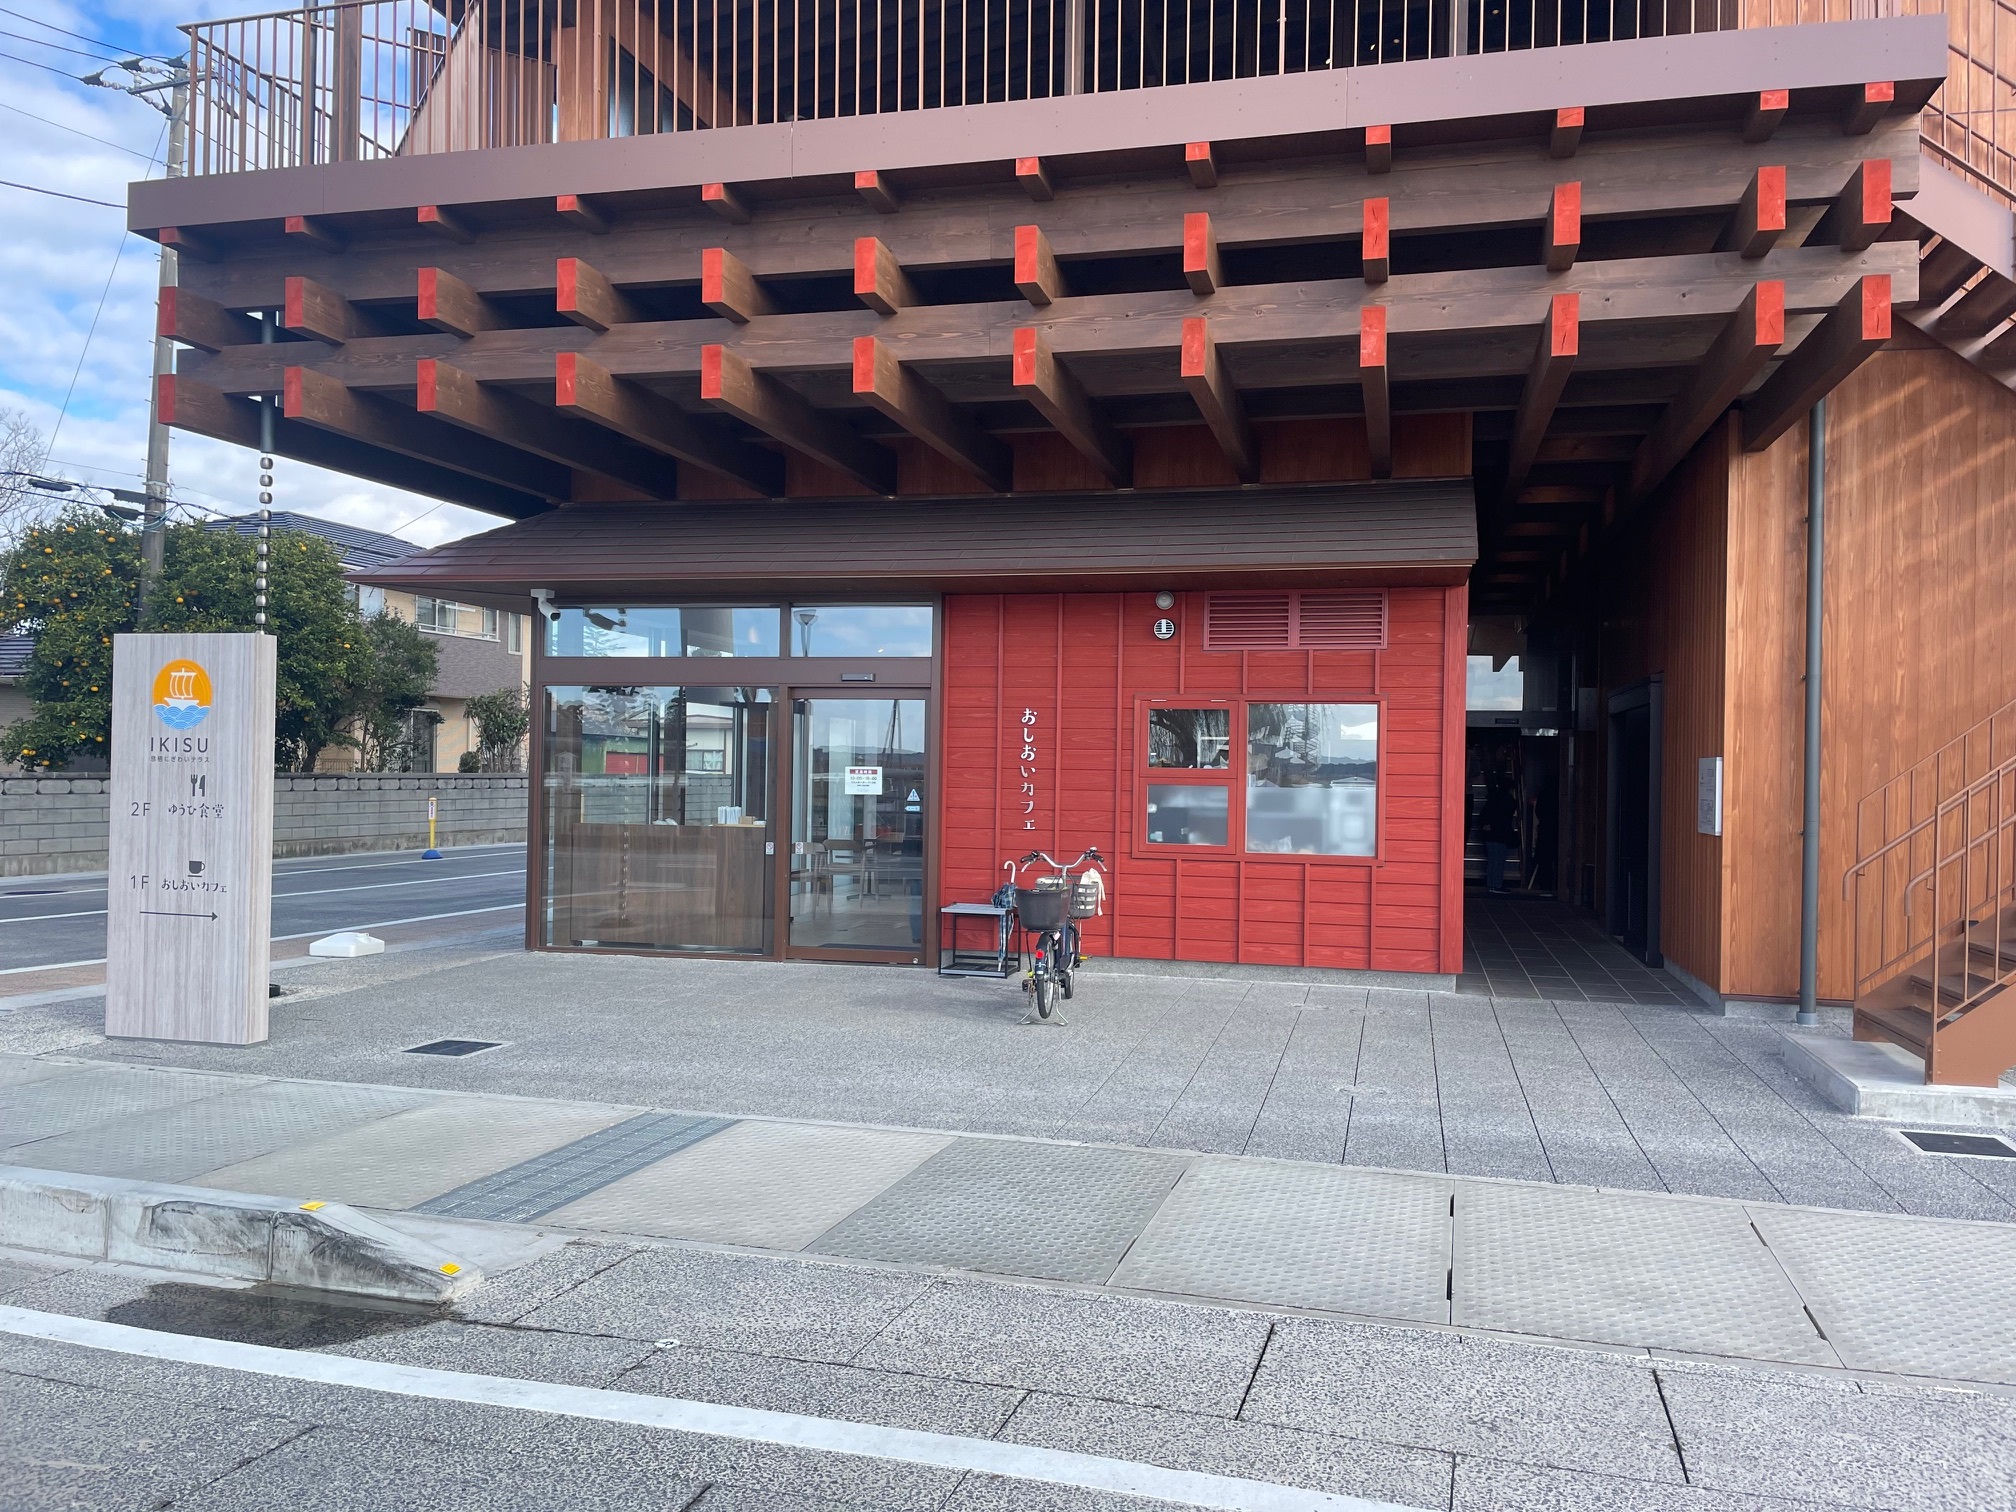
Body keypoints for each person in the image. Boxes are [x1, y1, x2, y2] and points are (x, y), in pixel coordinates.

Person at [1480, 765, 1519, 894]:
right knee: (1499, 861)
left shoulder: (1492, 798)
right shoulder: (1509, 801)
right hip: (1501, 834)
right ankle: (1497, 885)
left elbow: (1483, 814)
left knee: (1492, 860)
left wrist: (1486, 825)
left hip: (1489, 833)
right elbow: (1506, 819)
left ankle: (1491, 885)